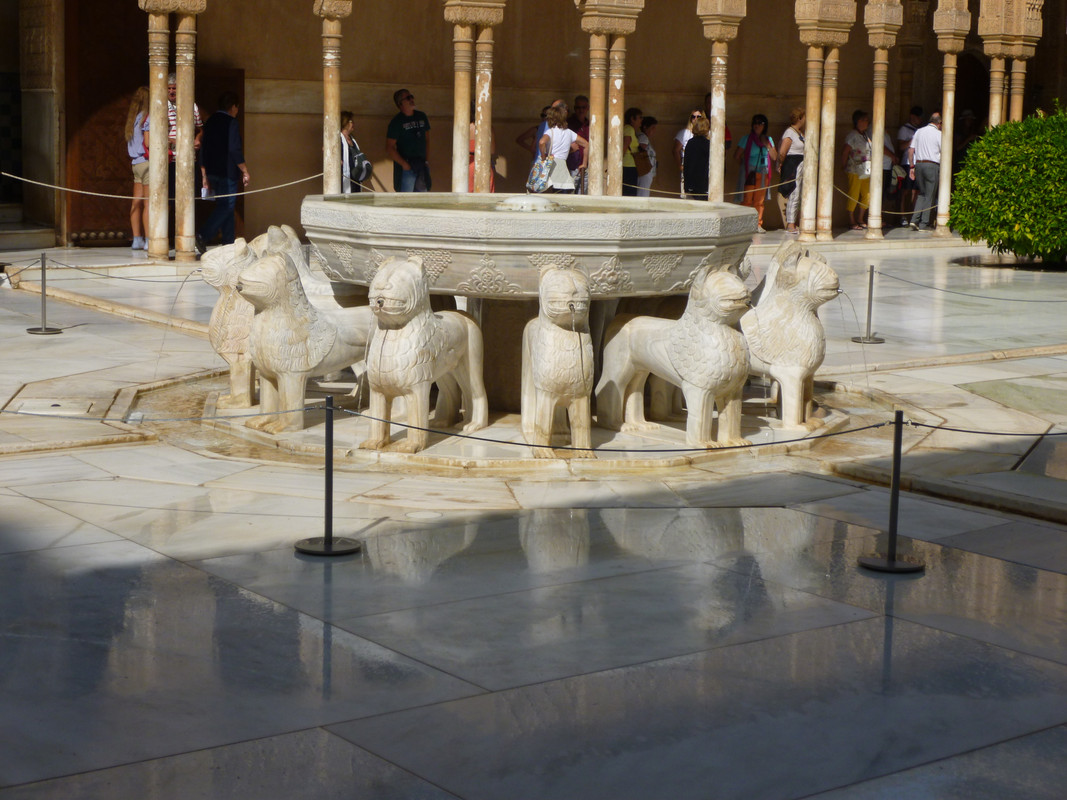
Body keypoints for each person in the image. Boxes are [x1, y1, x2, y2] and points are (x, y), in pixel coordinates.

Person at [196, 91, 249, 251]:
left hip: (213, 171)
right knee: (226, 206)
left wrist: (204, 173)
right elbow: (234, 149)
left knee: (227, 206)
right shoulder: (231, 122)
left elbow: (203, 149)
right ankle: (202, 235)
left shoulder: (210, 121)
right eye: (236, 108)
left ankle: (228, 242)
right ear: (233, 107)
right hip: (227, 173)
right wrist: (245, 170)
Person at [734, 113, 776, 231]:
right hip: (750, 172)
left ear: (765, 126)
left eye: (760, 123)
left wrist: (766, 144)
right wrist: (745, 167)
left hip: (763, 172)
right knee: (747, 199)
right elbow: (737, 156)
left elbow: (774, 157)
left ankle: (758, 224)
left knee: (759, 201)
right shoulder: (746, 139)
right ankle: (744, 224)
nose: (756, 126)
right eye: (755, 123)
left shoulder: (768, 139)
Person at [386, 88, 431, 192]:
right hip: (407, 167)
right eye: (408, 98)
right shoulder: (396, 122)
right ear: (400, 104)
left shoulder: (422, 116)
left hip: (421, 165)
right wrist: (404, 165)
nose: (411, 100)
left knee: (423, 200)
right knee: (405, 201)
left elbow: (427, 139)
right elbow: (389, 147)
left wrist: (426, 160)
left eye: (411, 97)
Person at [538, 104, 587, 193]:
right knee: (563, 192)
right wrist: (584, 163)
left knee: (551, 193)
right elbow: (586, 144)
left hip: (551, 164)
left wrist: (543, 156)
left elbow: (542, 142)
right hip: (562, 165)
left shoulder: (550, 132)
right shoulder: (569, 132)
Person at [124, 86, 150, 251]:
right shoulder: (146, 118)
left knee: (136, 202)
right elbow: (148, 143)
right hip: (147, 162)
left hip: (135, 164)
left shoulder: (131, 119)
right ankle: (148, 240)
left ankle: (136, 239)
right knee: (149, 204)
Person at [908, 112, 942, 231]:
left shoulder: (919, 131)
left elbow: (911, 150)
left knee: (922, 194)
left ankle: (914, 220)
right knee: (929, 195)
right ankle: (924, 223)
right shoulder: (939, 134)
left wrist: (912, 167)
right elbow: (944, 151)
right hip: (931, 165)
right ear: (939, 123)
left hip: (919, 165)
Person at [842, 109, 872, 230]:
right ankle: (852, 220)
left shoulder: (865, 135)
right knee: (853, 194)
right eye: (863, 120)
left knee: (867, 195)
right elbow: (845, 151)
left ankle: (860, 218)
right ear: (857, 122)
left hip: (866, 169)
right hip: (854, 169)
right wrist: (843, 165)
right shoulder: (852, 135)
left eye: (866, 120)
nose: (866, 122)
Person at [777, 107, 805, 234]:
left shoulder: (800, 133)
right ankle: (790, 224)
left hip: (801, 164)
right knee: (794, 193)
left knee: (799, 194)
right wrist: (780, 163)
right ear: (800, 118)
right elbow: (782, 152)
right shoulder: (790, 133)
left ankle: (797, 221)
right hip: (792, 165)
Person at [896, 105, 923, 224]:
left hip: (918, 163)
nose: (920, 120)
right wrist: (912, 140)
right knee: (905, 191)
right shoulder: (904, 129)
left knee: (915, 191)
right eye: (918, 117)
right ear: (912, 116)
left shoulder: (920, 130)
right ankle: (902, 216)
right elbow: (901, 147)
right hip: (907, 163)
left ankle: (913, 217)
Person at [674, 109, 705, 198]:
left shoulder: (708, 133)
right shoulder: (684, 133)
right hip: (688, 165)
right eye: (693, 117)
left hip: (703, 166)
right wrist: (680, 166)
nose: (695, 119)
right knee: (687, 194)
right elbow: (675, 150)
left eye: (698, 117)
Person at [468, 102, 496, 193]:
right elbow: (492, 150)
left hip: (468, 165)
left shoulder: (466, 127)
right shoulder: (488, 128)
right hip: (483, 164)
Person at [682, 115, 711, 200]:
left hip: (690, 183)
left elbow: (686, 164)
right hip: (703, 184)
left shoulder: (690, 143)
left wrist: (686, 185)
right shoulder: (708, 144)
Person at [340, 110, 368, 193]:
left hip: (355, 177)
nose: (353, 124)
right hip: (344, 176)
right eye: (351, 121)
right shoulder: (337, 137)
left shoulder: (352, 139)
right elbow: (326, 148)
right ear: (345, 123)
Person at [567, 96, 590, 193]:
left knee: (582, 197)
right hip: (571, 166)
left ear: (587, 108)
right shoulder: (568, 124)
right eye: (578, 108)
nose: (581, 110)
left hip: (585, 167)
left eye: (583, 107)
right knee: (569, 196)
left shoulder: (590, 124)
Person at [621, 108, 643, 197]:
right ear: (632, 119)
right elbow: (625, 145)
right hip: (628, 165)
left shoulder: (630, 129)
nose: (641, 120)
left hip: (630, 165)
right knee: (629, 192)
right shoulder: (629, 129)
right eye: (639, 117)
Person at [636, 115, 658, 198]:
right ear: (645, 127)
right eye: (652, 128)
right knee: (643, 194)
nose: (654, 130)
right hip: (645, 172)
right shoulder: (643, 138)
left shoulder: (643, 137)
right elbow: (641, 152)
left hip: (646, 172)